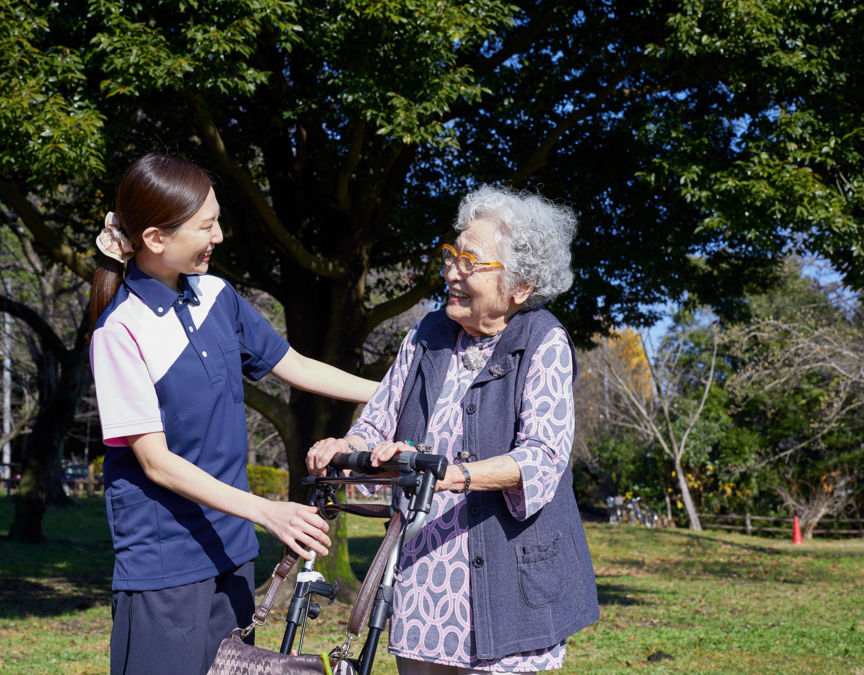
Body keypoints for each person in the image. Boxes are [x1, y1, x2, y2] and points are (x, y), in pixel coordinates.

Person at [88, 152, 378, 675]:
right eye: (206, 225)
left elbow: (297, 366)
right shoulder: (119, 332)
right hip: (164, 564)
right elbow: (156, 463)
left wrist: (393, 393)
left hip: (233, 549)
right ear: (155, 238)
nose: (219, 235)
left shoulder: (218, 296)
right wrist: (268, 511)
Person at [306, 185, 599, 674]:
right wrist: (348, 446)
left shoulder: (542, 339)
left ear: (520, 286)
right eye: (451, 256)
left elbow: (543, 459)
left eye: (470, 263)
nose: (450, 272)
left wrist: (450, 476)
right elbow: (378, 417)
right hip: (425, 583)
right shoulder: (427, 334)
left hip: (509, 588)